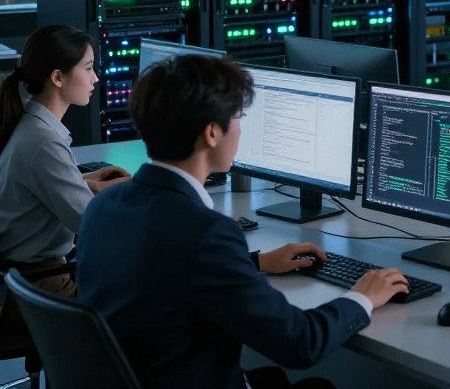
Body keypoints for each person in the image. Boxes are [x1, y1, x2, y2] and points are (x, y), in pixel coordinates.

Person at [77, 55, 408, 389]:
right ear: (211, 133)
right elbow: (299, 343)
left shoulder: (103, 205)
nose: (240, 129)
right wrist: (362, 298)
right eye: (238, 118)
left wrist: (255, 262)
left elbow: (160, 270)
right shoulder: (206, 234)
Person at [0, 24, 129, 315]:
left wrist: (84, 182)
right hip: (44, 284)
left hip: (24, 278)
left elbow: (30, 187)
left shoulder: (30, 125)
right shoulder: (43, 142)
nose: (96, 78)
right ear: (58, 77)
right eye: (88, 68)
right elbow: (93, 225)